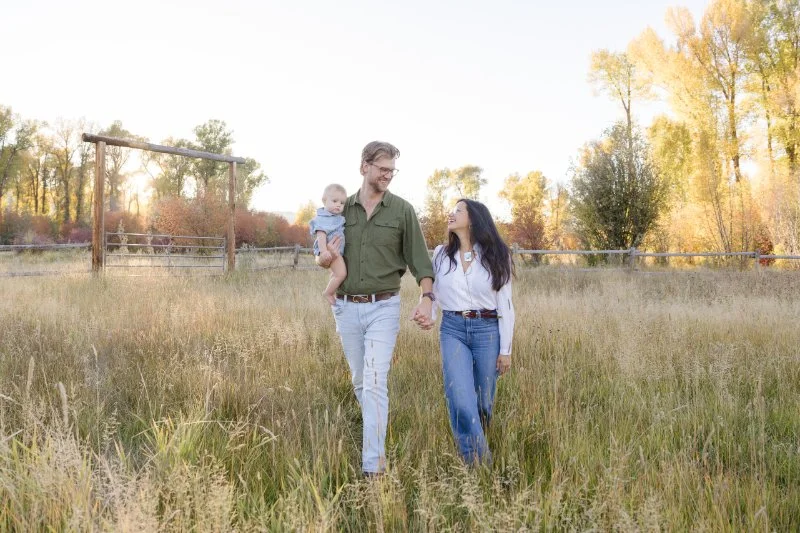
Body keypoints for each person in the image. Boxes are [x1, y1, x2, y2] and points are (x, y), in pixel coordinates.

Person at [321, 141, 435, 477]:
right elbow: (321, 253)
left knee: (374, 381)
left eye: (391, 170)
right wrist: (322, 258)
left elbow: (421, 262)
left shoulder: (402, 211)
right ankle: (376, 431)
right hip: (345, 307)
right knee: (360, 381)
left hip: (384, 307)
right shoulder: (341, 209)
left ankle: (374, 465)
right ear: (364, 167)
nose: (387, 175)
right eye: (382, 169)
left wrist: (427, 298)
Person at [431, 198, 515, 465]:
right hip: (452, 328)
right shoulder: (440, 255)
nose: (451, 214)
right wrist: (428, 315)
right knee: (460, 398)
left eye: (458, 211)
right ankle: (478, 464)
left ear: (474, 218)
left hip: (487, 330)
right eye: (452, 210)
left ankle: (479, 436)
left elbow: (506, 304)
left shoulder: (497, 254)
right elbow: (434, 295)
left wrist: (506, 350)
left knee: (483, 403)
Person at [310, 183, 348, 304]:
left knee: (335, 273)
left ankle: (330, 288)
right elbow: (321, 236)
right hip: (331, 251)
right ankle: (328, 292)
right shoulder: (323, 218)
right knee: (341, 274)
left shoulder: (336, 217)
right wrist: (324, 251)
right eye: (335, 201)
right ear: (324, 200)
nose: (338, 205)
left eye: (341, 203)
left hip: (335, 251)